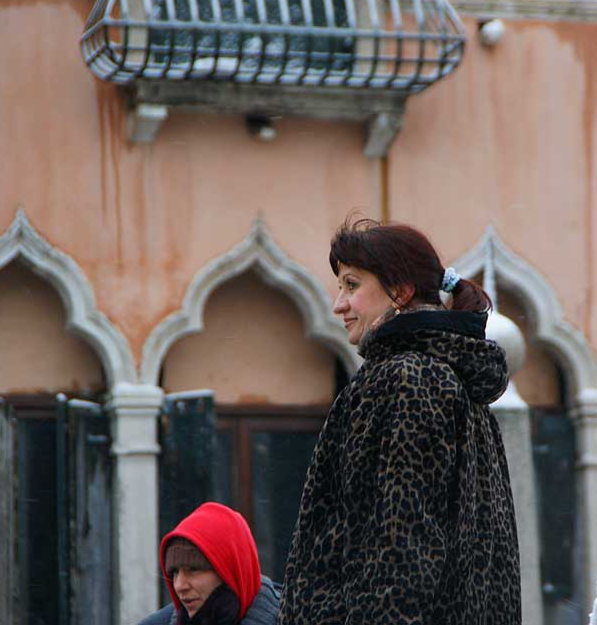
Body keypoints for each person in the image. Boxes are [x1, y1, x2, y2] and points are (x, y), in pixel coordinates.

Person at [277, 219, 521, 625]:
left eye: (352, 286)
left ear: (400, 292)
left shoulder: (410, 378)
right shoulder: (439, 375)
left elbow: (405, 546)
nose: (339, 304)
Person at [138, 502, 280, 625]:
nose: (180, 585)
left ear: (229, 572)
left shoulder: (295, 616)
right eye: (174, 572)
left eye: (193, 569)